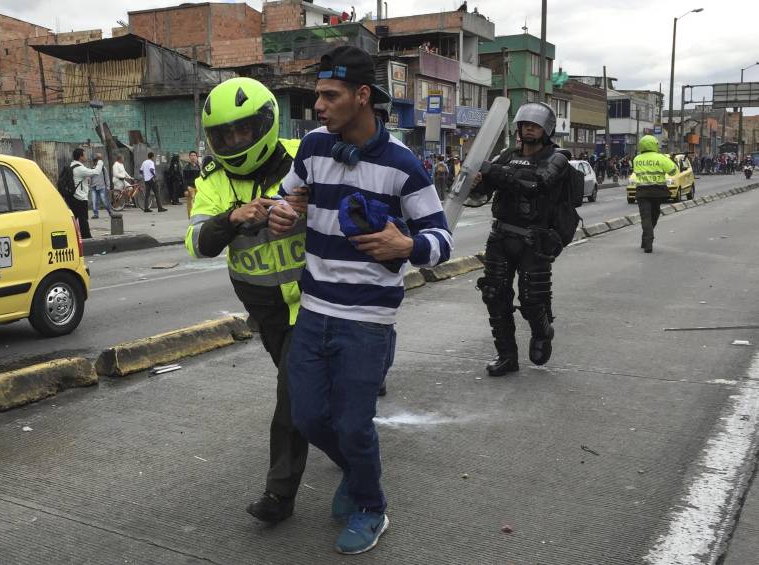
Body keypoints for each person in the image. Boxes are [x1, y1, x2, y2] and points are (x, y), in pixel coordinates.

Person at [269, 45, 452, 555]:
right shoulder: (311, 149)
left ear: (362, 95)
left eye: (330, 95)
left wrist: (407, 245)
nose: (319, 106)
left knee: (352, 423)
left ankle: (372, 506)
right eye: (317, 96)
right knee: (307, 418)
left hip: (368, 321)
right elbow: (291, 198)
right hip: (313, 309)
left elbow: (441, 241)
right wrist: (284, 213)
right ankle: (357, 468)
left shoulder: (404, 167)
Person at [184, 77, 310, 525]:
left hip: (314, 298)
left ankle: (280, 495)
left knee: (291, 395)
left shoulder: (304, 155)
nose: (235, 141)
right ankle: (347, 426)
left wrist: (309, 204)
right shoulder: (213, 182)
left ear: (267, 123)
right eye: (225, 135)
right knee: (311, 397)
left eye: (244, 130)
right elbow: (197, 243)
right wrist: (232, 218)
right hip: (266, 307)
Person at [471, 102, 570, 377]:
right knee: (494, 295)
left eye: (535, 125)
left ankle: (542, 332)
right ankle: (506, 356)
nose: (528, 128)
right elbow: (483, 191)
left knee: (532, 301)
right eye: (525, 124)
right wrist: (477, 178)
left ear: (546, 130)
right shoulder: (507, 155)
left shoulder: (557, 158)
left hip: (534, 241)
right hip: (501, 235)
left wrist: (494, 171)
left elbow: (535, 184)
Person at [632, 135, 678, 253]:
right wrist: (671, 160)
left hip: (642, 192)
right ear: (655, 145)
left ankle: (646, 241)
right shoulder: (661, 158)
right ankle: (648, 242)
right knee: (655, 215)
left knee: (645, 217)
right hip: (657, 192)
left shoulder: (637, 159)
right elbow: (673, 171)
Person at [70, 148, 104, 239]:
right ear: (81, 157)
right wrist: (100, 161)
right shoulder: (79, 168)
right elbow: (96, 172)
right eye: (84, 155)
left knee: (73, 219)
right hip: (80, 198)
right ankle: (87, 237)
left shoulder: (72, 166)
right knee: (83, 219)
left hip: (73, 197)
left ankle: (72, 237)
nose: (86, 157)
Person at [89, 153, 112, 219]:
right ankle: (96, 214)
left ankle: (110, 211)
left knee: (104, 200)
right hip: (93, 187)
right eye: (94, 161)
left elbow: (107, 177)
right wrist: (89, 186)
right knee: (94, 201)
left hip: (102, 187)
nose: (95, 162)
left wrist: (108, 186)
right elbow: (90, 178)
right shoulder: (92, 169)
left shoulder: (103, 168)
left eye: (96, 160)